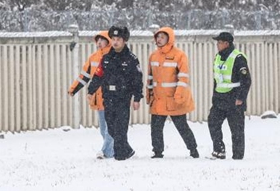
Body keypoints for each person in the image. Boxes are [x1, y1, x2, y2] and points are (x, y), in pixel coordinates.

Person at [87, 25, 143, 161]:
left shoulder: (131, 59)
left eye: (118, 39)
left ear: (124, 41)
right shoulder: (106, 58)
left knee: (120, 128)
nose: (115, 42)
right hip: (109, 97)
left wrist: (137, 98)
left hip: (123, 98)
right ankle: (128, 151)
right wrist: (91, 90)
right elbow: (98, 75)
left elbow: (137, 80)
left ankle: (120, 156)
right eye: (113, 39)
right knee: (111, 127)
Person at [146, 26, 199, 159]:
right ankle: (157, 152)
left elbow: (183, 77)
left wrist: (179, 94)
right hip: (158, 99)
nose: (159, 40)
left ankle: (193, 149)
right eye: (157, 37)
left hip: (174, 99)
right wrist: (149, 94)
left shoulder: (179, 55)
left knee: (182, 126)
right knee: (156, 127)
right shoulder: (153, 56)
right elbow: (150, 77)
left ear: (169, 39)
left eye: (162, 37)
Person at [68, 30, 114, 159]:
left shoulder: (114, 56)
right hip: (98, 98)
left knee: (110, 127)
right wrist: (74, 89)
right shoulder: (93, 57)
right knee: (103, 129)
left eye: (102, 40)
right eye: (97, 40)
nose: (99, 43)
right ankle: (115, 150)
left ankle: (105, 151)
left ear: (108, 41)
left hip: (111, 97)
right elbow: (85, 76)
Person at [207, 31, 252, 160]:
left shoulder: (238, 58)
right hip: (220, 99)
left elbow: (246, 80)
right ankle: (219, 150)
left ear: (227, 44)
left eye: (219, 42)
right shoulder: (218, 57)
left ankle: (237, 157)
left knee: (236, 130)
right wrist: (215, 96)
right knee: (213, 122)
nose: (217, 45)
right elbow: (217, 79)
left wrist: (240, 98)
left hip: (234, 98)